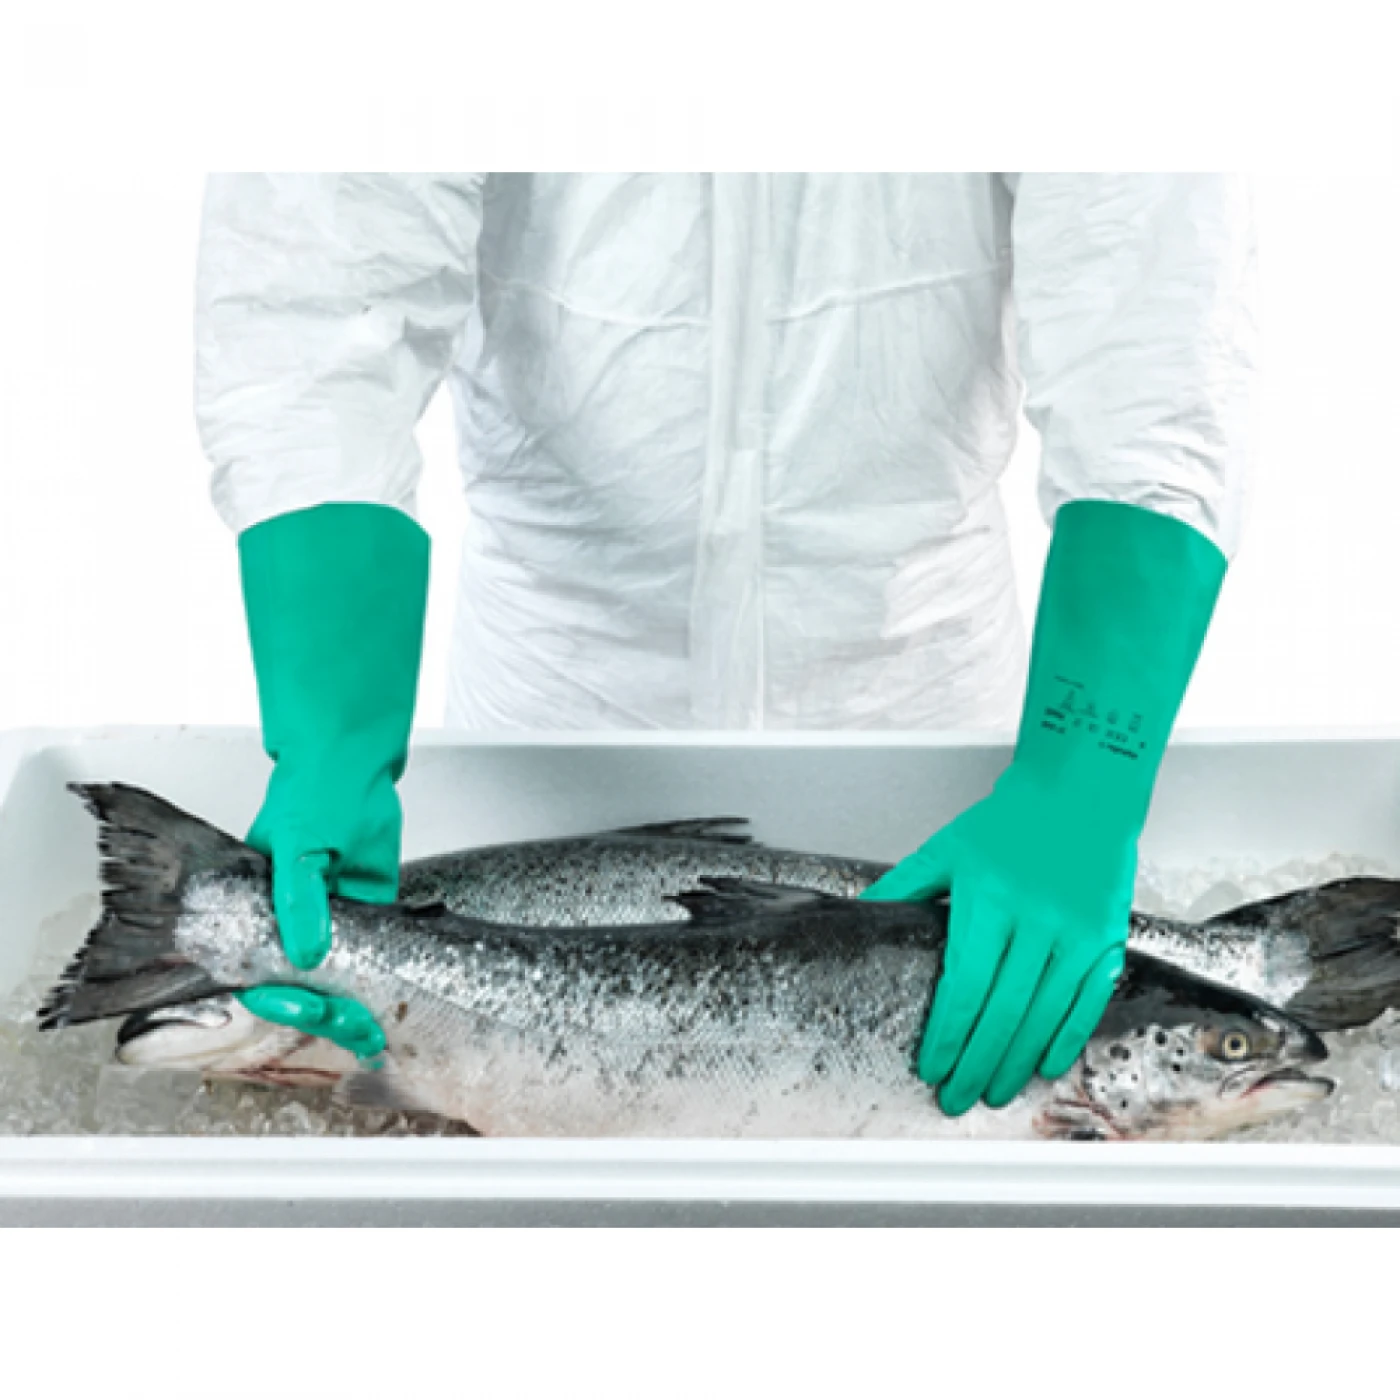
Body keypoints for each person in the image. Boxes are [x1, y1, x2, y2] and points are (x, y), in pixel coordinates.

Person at [194, 174, 1255, 1115]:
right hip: (541, 732)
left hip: (936, 770)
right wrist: (333, 737)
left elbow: (1150, 328)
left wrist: (1084, 775)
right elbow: (322, 281)